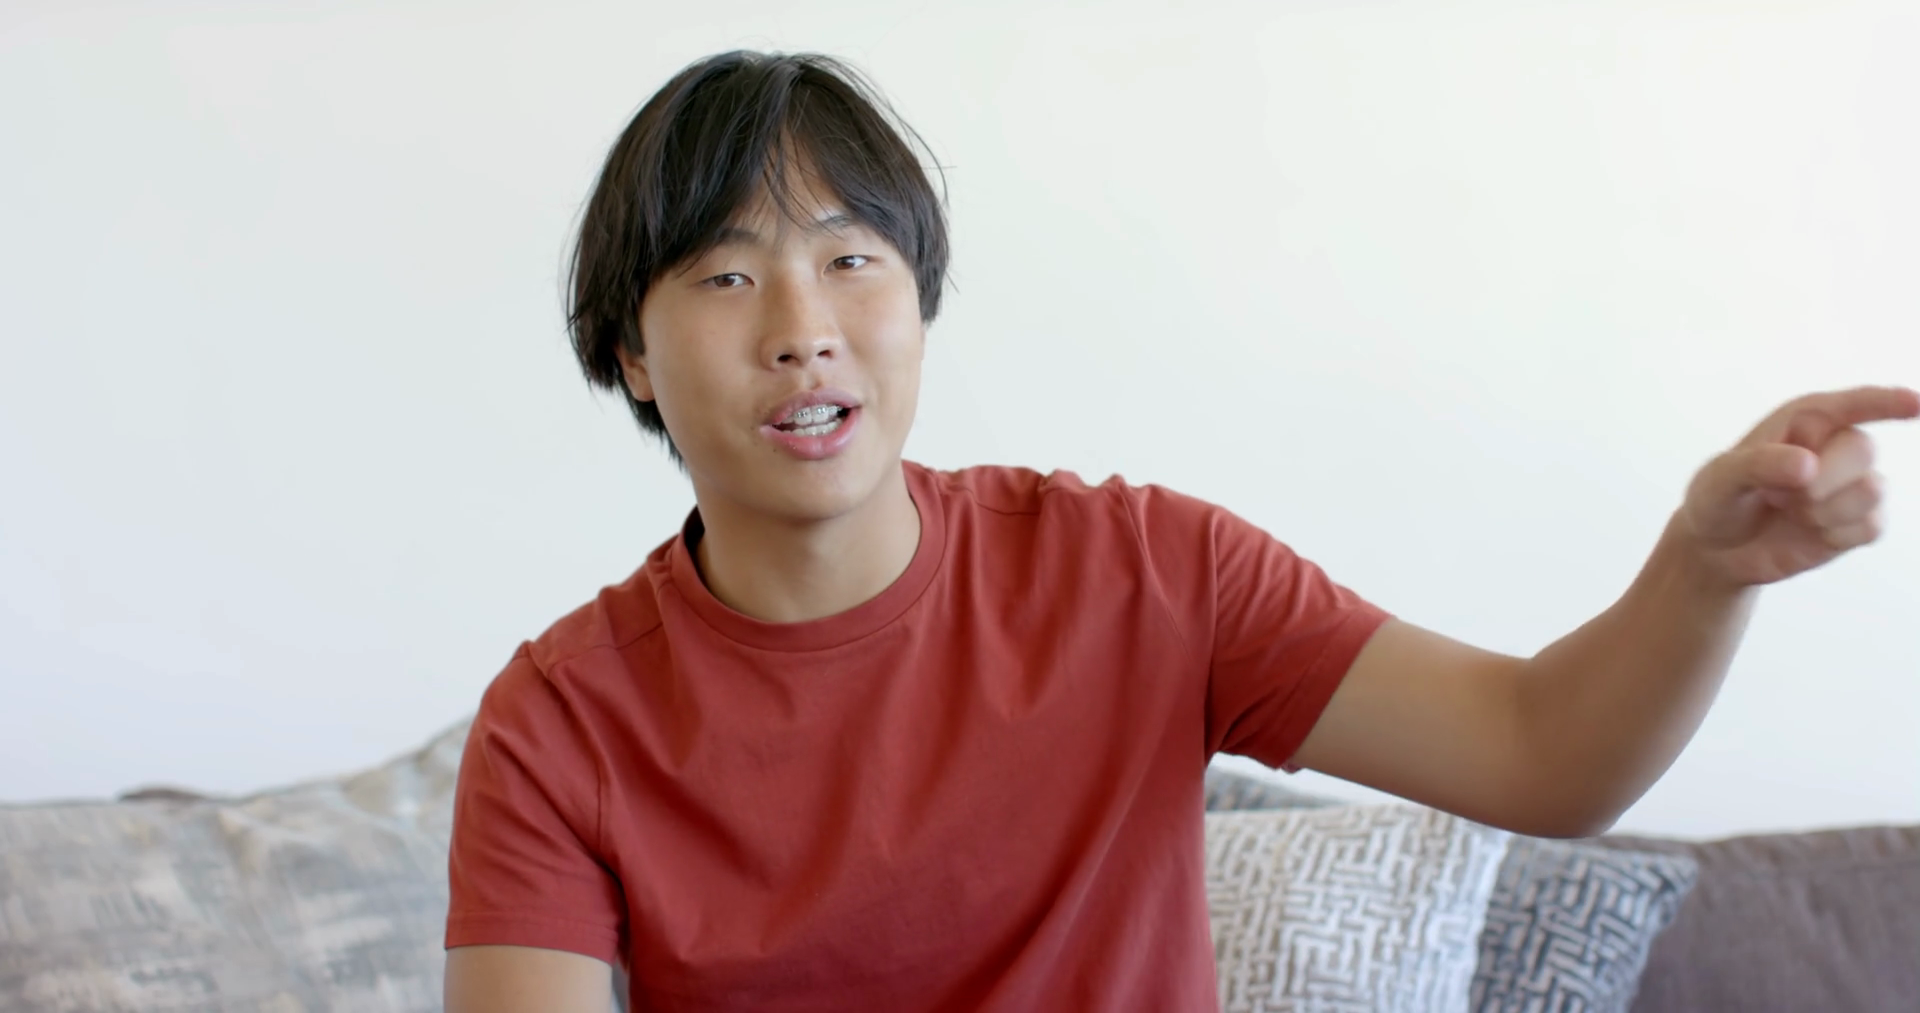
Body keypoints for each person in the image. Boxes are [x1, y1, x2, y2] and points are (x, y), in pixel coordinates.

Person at [441, 50, 1917, 1012]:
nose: (801, 327)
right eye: (724, 277)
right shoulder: (559, 726)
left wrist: (1704, 572)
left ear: (919, 300)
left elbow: (1544, 753)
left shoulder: (1145, 573)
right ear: (632, 355)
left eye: (851, 258)